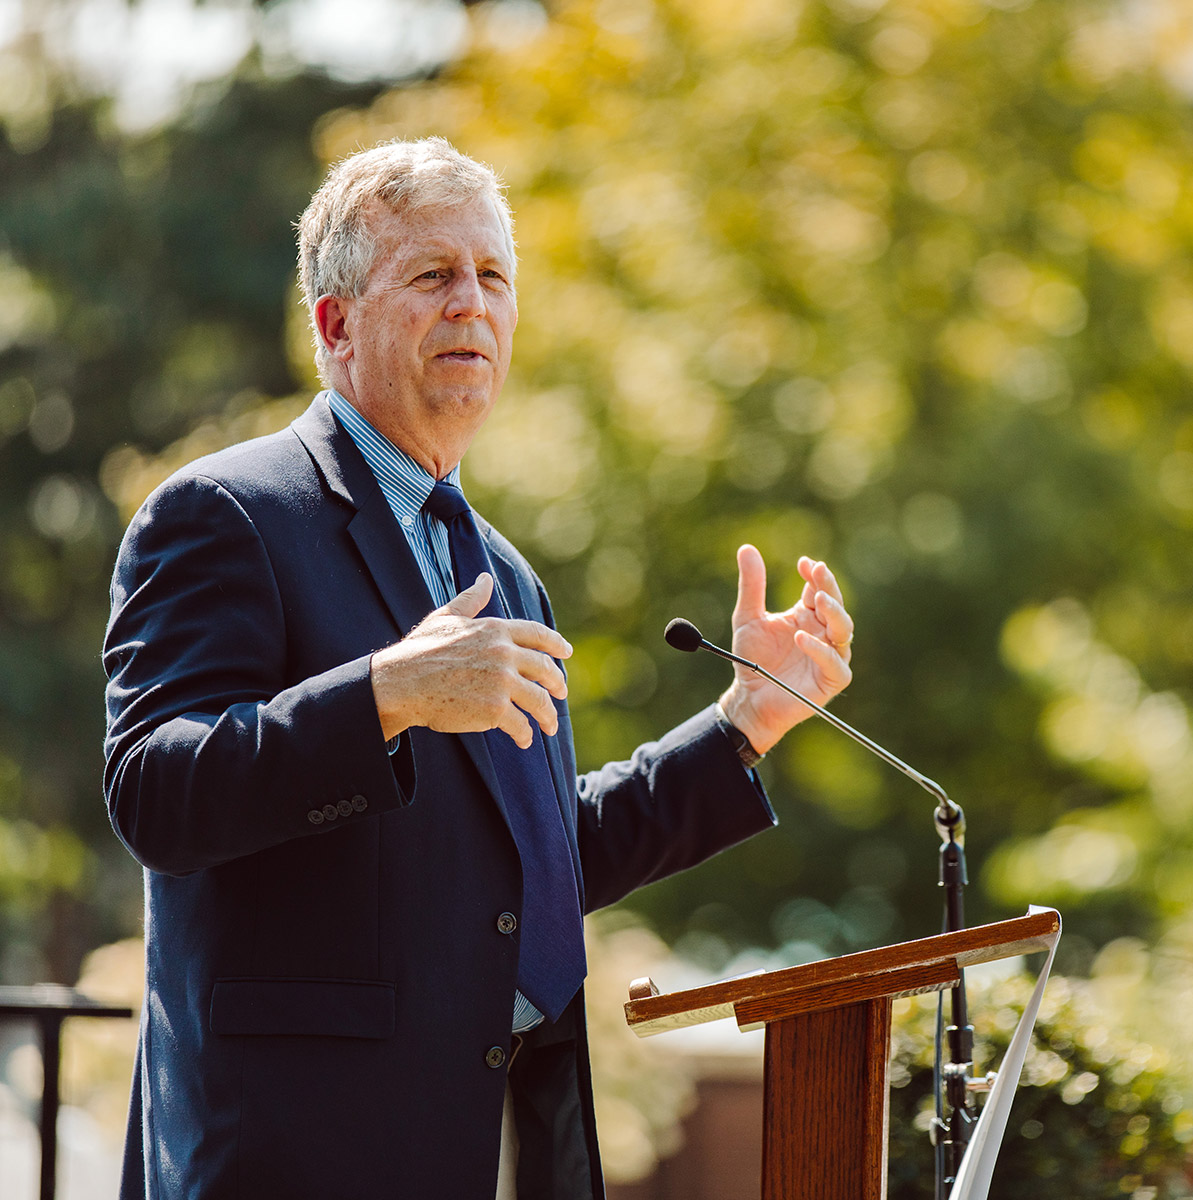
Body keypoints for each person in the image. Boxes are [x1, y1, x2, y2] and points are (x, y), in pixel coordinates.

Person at [103, 137, 854, 1200]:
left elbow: (536, 864)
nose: (474, 304)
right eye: (433, 275)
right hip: (296, 1156)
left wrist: (743, 724)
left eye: (494, 277)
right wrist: (386, 695)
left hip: (497, 1140)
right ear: (335, 323)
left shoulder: (503, 572)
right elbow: (156, 792)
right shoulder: (225, 515)